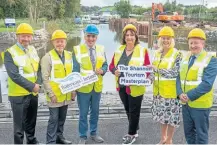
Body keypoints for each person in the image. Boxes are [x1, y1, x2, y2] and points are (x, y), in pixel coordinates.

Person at [109, 24, 152, 144]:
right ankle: (135, 127)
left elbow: (147, 68)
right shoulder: (119, 50)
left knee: (134, 111)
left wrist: (143, 77)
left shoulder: (142, 50)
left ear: (136, 36)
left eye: (132, 35)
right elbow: (111, 66)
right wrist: (114, 71)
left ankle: (131, 134)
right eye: (127, 35)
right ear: (124, 37)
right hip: (122, 85)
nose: (129, 37)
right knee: (128, 109)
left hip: (136, 87)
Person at [177, 28, 217, 144]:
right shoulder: (186, 57)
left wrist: (188, 95)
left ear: (203, 43)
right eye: (191, 43)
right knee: (188, 133)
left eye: (196, 43)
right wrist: (180, 94)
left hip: (200, 105)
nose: (193, 45)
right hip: (186, 104)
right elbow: (179, 77)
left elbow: (207, 84)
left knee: (201, 135)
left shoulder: (211, 60)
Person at [3, 23, 41, 144]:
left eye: (28, 36)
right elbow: (14, 75)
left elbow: (38, 69)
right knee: (19, 127)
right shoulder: (10, 52)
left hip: (33, 94)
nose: (26, 39)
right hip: (18, 95)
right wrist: (32, 86)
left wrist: (38, 83)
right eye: (23, 36)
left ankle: (31, 140)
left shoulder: (33, 49)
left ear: (31, 37)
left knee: (31, 122)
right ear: (17, 36)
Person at [73, 24, 108, 144]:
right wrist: (74, 89)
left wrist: (102, 70)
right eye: (88, 36)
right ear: (85, 36)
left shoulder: (101, 49)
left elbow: (105, 65)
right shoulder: (77, 50)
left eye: (93, 36)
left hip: (96, 87)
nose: (91, 39)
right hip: (83, 88)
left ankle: (93, 133)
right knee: (83, 113)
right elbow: (75, 70)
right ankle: (82, 136)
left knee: (95, 112)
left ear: (96, 37)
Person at [41, 30, 74, 144]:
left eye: (62, 41)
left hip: (65, 95)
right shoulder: (47, 57)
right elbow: (45, 79)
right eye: (57, 42)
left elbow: (72, 76)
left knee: (62, 119)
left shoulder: (70, 55)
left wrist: (73, 91)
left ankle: (59, 137)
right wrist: (51, 94)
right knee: (53, 120)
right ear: (53, 43)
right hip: (54, 96)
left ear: (65, 42)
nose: (60, 44)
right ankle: (50, 141)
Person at [151, 26, 182, 144]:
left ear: (172, 40)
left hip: (171, 93)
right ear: (160, 40)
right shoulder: (157, 53)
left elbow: (175, 72)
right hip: (159, 92)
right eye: (163, 38)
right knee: (162, 118)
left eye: (168, 38)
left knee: (171, 119)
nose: (166, 41)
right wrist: (146, 78)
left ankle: (169, 140)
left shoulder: (177, 54)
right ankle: (163, 138)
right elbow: (153, 72)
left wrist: (157, 69)